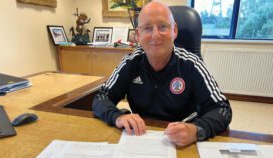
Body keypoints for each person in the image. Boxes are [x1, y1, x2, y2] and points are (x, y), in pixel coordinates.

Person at [93, 2, 232, 147]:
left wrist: (196, 130)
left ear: (175, 31)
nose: (155, 35)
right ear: (138, 35)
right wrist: (117, 116)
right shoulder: (130, 63)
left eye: (163, 27)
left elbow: (222, 109)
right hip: (141, 139)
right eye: (147, 28)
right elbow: (101, 97)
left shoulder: (192, 64)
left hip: (183, 144)